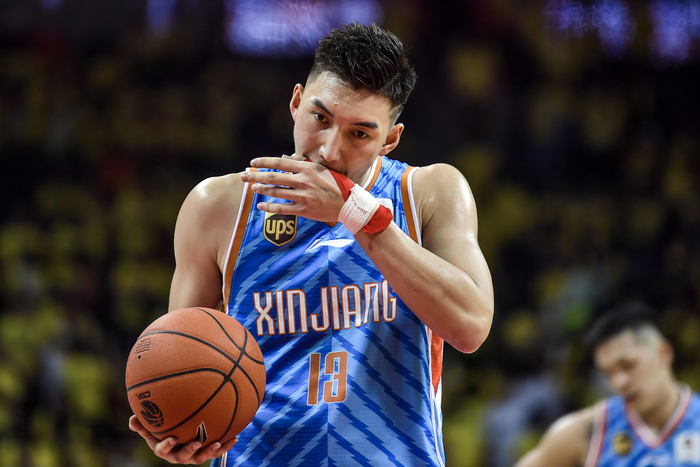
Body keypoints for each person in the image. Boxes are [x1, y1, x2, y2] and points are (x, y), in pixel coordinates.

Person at [129, 22, 494, 466]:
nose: (329, 151)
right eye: (320, 119)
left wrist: (354, 212)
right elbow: (179, 358)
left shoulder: (428, 193)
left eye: (359, 133)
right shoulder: (218, 207)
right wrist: (176, 427)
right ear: (296, 102)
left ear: (390, 140)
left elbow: (471, 326)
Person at [513, 301, 700, 467]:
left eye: (628, 366)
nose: (619, 382)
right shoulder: (586, 432)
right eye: (608, 373)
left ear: (663, 353)